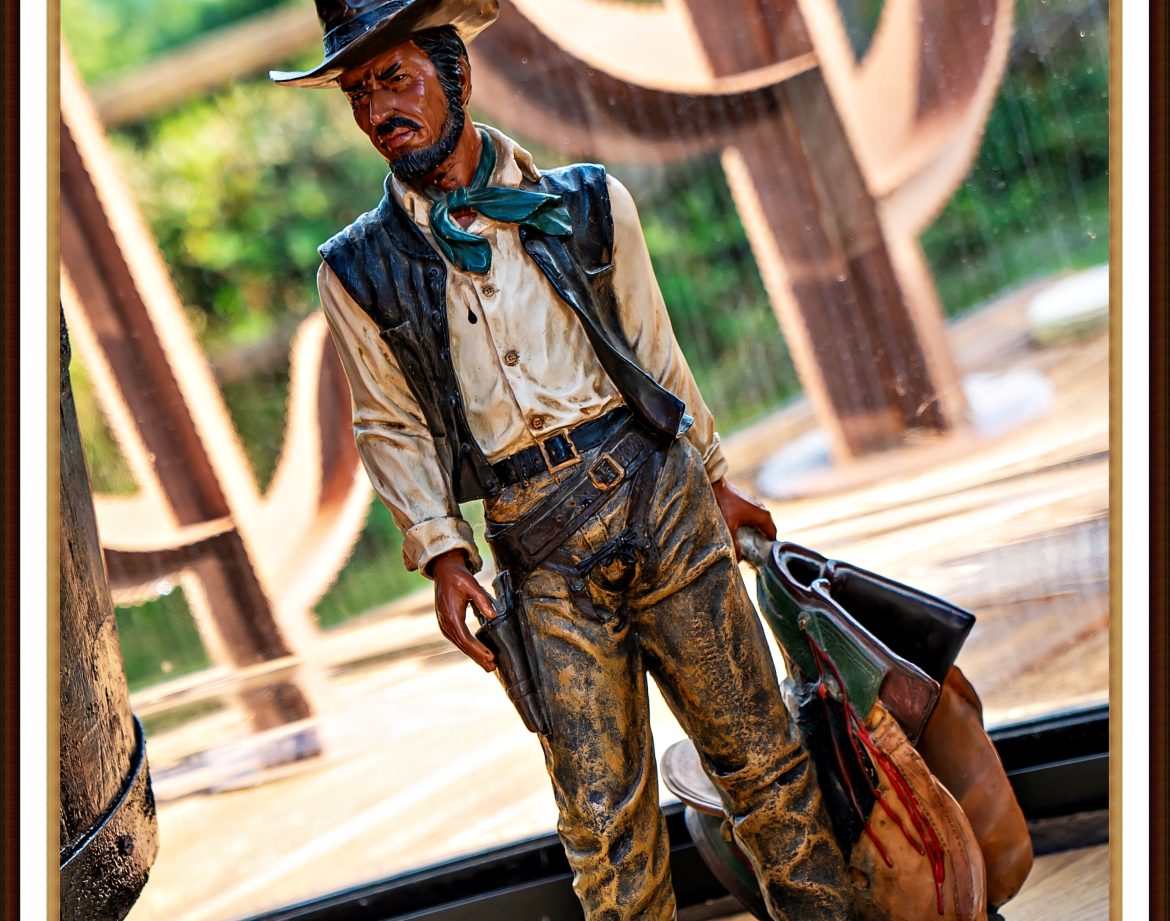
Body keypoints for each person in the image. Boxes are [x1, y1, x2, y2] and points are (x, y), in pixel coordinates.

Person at [272, 2, 854, 918]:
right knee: (603, 829)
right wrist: (443, 550)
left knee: (765, 765)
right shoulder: (358, 269)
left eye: (395, 79)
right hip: (537, 546)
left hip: (661, 499)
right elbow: (390, 424)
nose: (379, 111)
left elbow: (656, 354)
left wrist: (715, 476)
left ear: (456, 75)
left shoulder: (588, 202)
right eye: (358, 93)